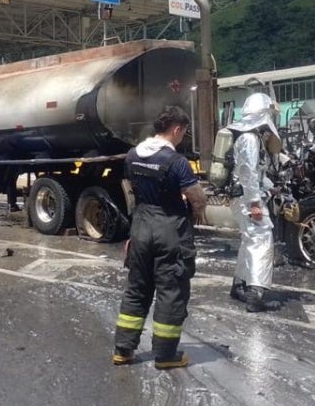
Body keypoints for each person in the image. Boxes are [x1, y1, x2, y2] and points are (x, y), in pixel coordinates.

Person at [113, 106, 207, 369]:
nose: (183, 137)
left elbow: (131, 190)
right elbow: (197, 197)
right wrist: (197, 211)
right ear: (176, 129)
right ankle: (166, 355)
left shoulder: (132, 155)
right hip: (169, 229)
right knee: (171, 290)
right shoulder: (176, 162)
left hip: (141, 226)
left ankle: (123, 349)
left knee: (137, 288)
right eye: (184, 133)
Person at [226, 92, 283, 312]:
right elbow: (248, 173)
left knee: (250, 240)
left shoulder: (250, 137)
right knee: (261, 239)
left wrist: (270, 188)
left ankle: (239, 285)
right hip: (246, 199)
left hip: (243, 197)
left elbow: (257, 174)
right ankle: (256, 295)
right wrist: (255, 204)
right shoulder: (250, 139)